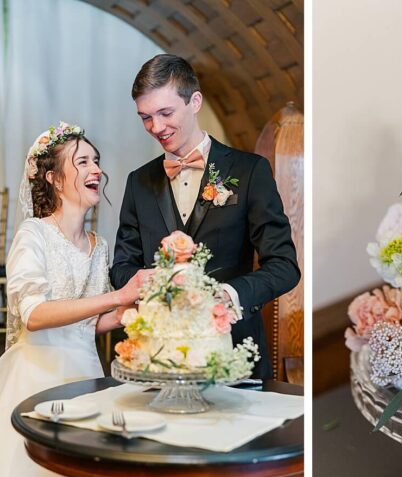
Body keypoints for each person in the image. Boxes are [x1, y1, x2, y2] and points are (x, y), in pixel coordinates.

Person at [0, 123, 148, 477]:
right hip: (37, 377)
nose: (96, 169)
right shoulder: (33, 235)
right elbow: (33, 314)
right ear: (54, 178)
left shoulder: (99, 246)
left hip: (85, 374)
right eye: (82, 162)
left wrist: (131, 312)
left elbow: (87, 324)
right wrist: (116, 298)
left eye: (96, 161)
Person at [111, 54, 300, 380]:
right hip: (161, 355)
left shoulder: (249, 171)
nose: (156, 127)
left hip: (236, 352)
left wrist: (226, 296)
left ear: (195, 101)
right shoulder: (138, 182)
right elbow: (123, 266)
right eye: (145, 117)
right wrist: (160, 288)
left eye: (165, 113)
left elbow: (284, 267)